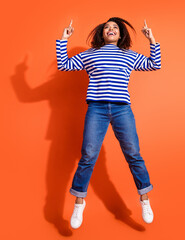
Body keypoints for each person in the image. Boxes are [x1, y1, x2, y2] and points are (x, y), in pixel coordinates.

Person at [56, 17, 161, 229]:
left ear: (120, 34)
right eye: (107, 28)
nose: (111, 29)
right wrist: (63, 39)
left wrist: (152, 40)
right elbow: (64, 65)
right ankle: (79, 203)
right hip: (97, 109)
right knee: (88, 155)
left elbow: (154, 64)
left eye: (115, 28)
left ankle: (145, 200)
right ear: (101, 34)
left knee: (133, 153)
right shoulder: (90, 54)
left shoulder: (128, 55)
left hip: (122, 109)